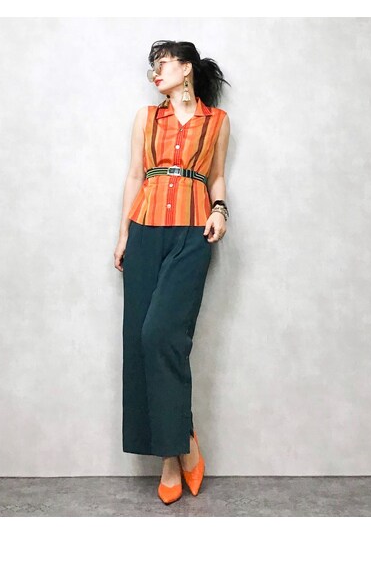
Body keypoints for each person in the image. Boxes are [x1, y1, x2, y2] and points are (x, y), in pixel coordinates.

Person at [114, 40, 231, 504]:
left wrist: (220, 209)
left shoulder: (217, 122)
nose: (155, 74)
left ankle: (180, 440)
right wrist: (123, 234)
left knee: (163, 334)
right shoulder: (146, 118)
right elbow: (134, 176)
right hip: (145, 232)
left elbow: (217, 175)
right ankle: (173, 454)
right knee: (139, 341)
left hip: (192, 234)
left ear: (186, 69)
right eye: (153, 68)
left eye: (161, 65)